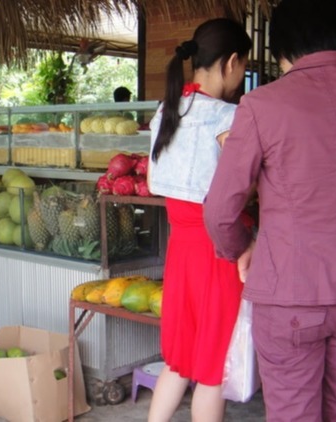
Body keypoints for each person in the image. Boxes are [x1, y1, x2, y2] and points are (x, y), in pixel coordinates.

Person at [203, 1, 336, 421]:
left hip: (291, 293)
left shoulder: (262, 104)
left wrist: (243, 248)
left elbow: (221, 211)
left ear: (281, 47)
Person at [146, 19, 251, 422]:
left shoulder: (166, 110)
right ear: (230, 63)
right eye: (243, 67)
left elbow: (155, 181)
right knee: (212, 367)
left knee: (179, 358)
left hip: (181, 249)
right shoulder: (228, 116)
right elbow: (242, 184)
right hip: (218, 251)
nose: (242, 77)